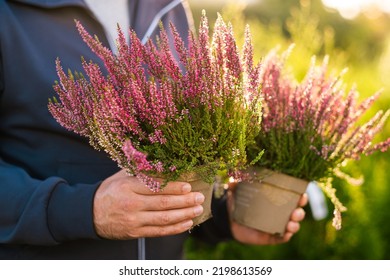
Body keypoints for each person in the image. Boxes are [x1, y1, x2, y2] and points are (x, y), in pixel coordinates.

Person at [0, 0, 307, 260]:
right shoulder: (10, 13)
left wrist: (223, 218)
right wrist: (85, 210)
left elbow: (183, 161)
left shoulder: (168, 7)